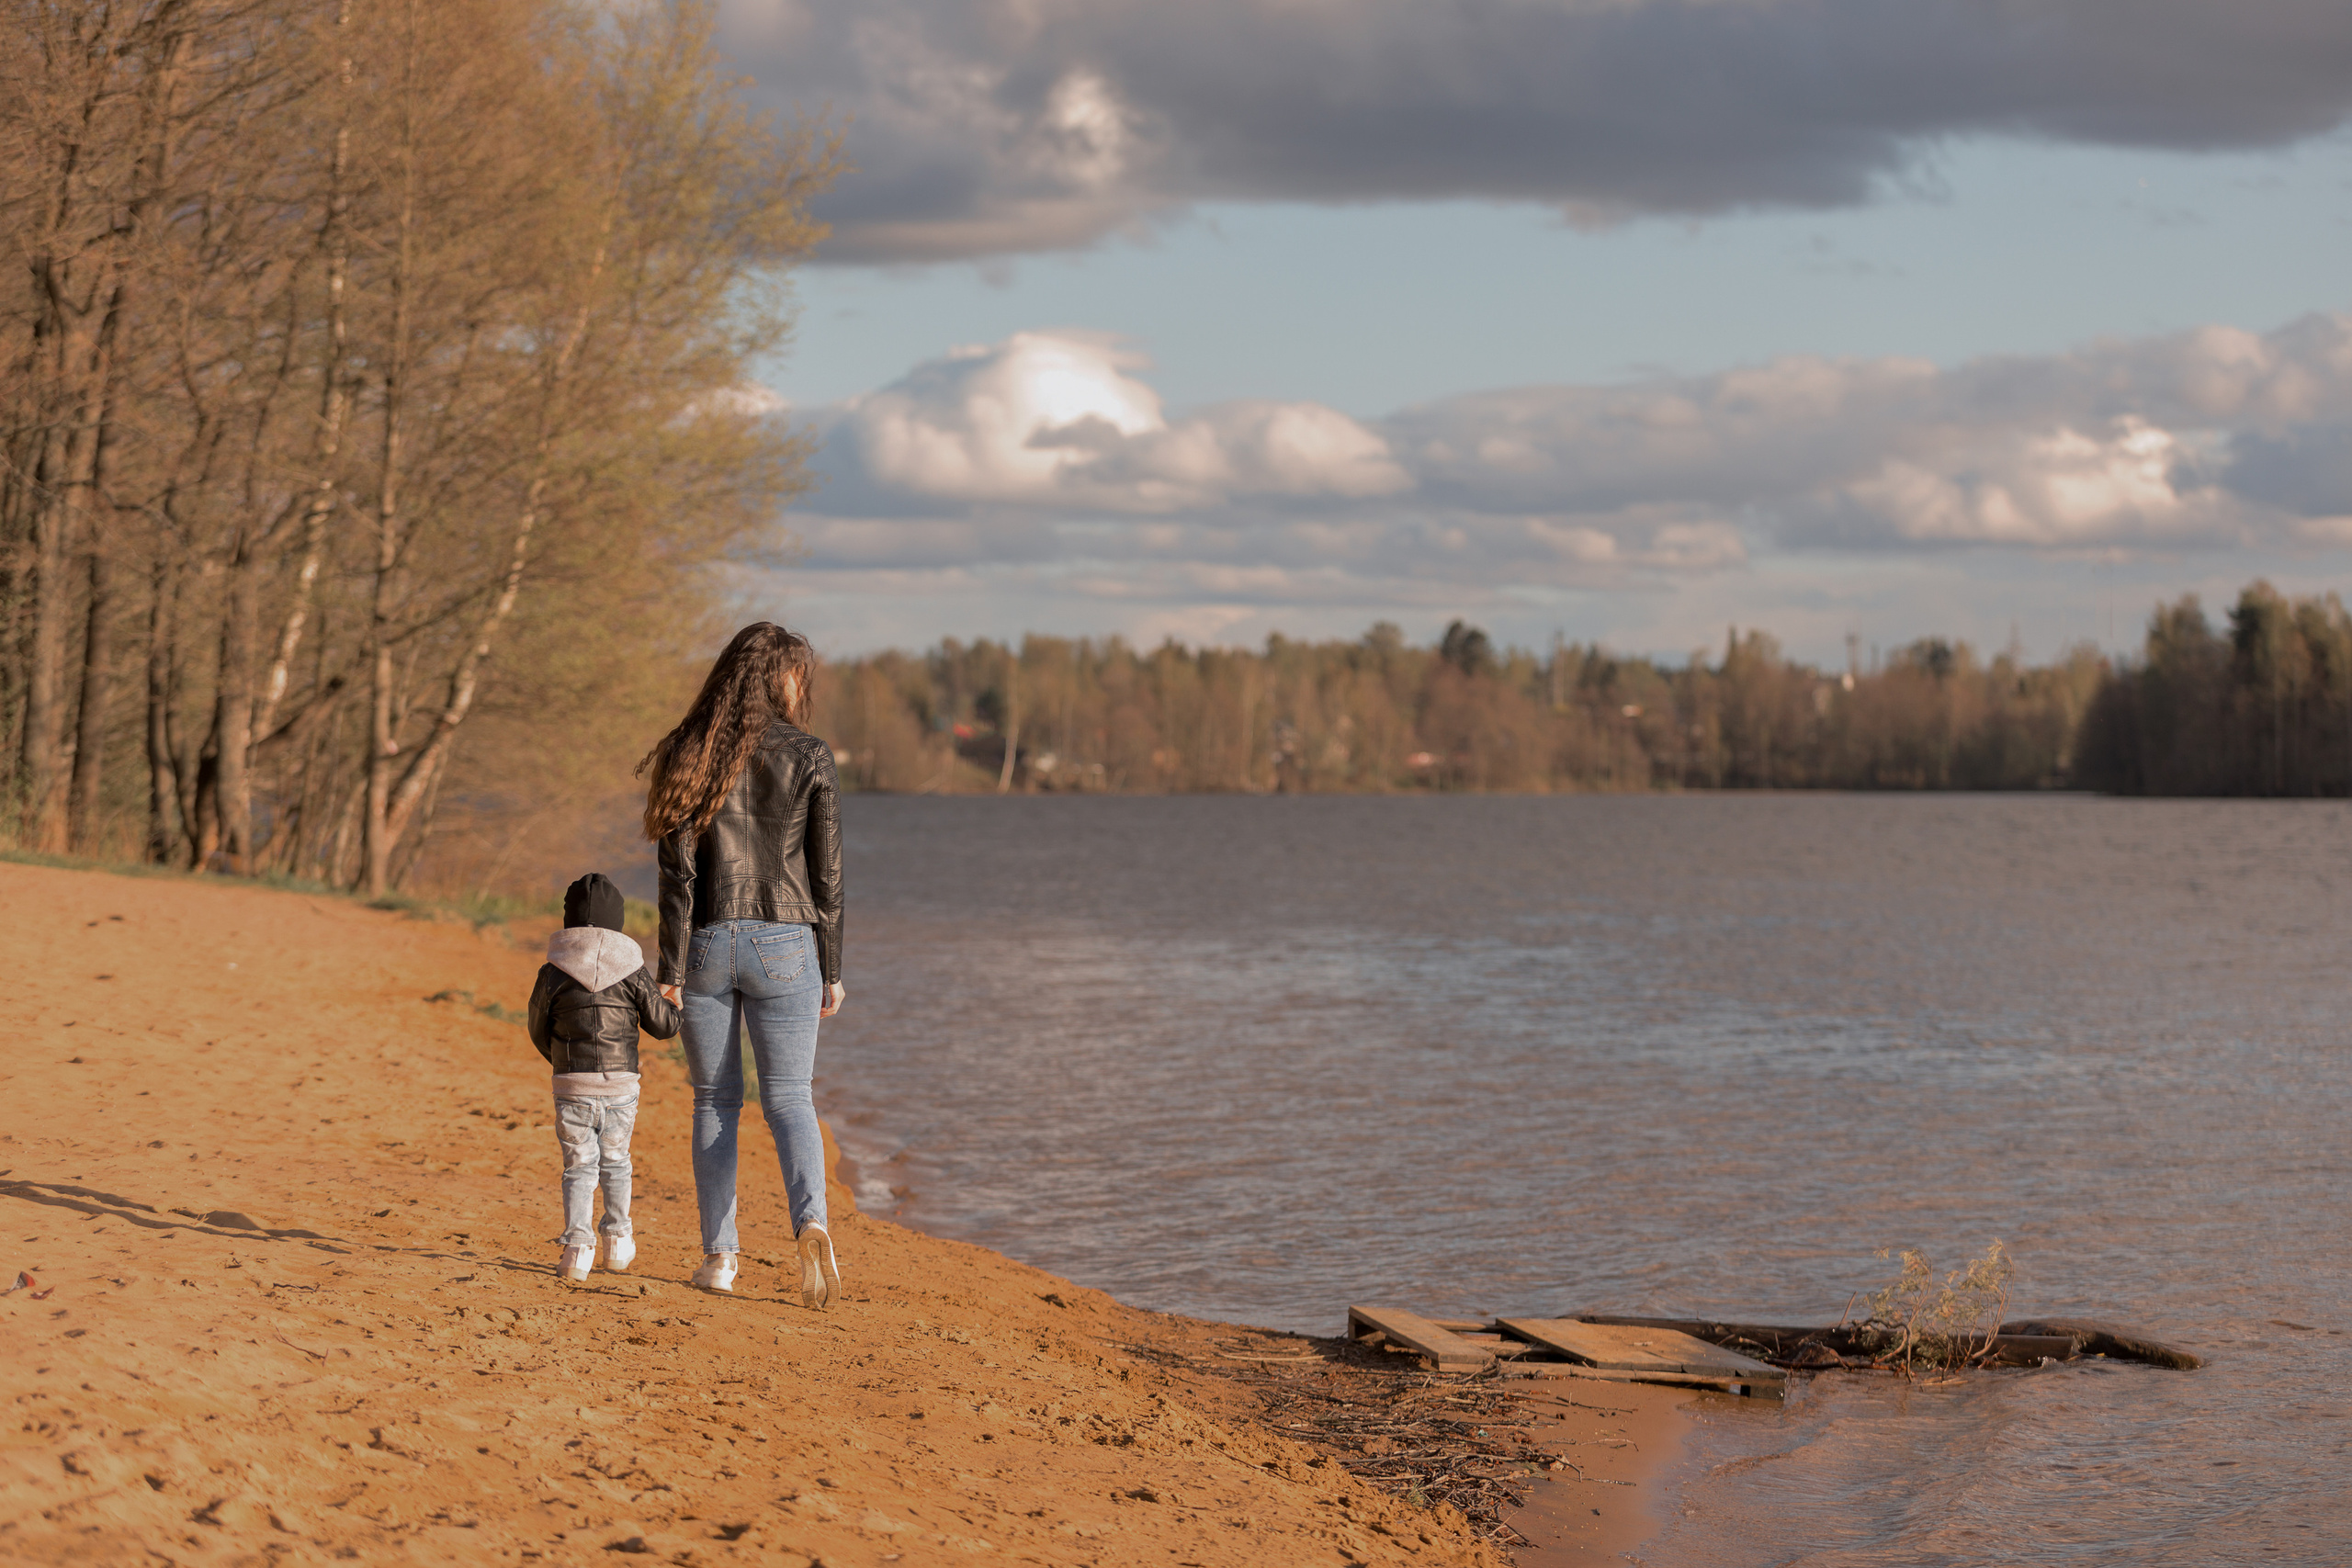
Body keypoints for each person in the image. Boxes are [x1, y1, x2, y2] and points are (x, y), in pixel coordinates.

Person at [640, 622, 846, 1306]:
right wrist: (834, 966)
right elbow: (828, 875)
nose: (801, 685)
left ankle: (720, 1257)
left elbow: (677, 874)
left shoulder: (688, 750)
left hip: (704, 942)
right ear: (782, 678)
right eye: (798, 673)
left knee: (714, 1101)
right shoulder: (810, 752)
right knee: (789, 1097)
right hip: (788, 943)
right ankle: (811, 1221)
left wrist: (668, 963)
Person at [527, 872, 679, 1283]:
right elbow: (664, 1027)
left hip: (572, 1085)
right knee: (616, 1161)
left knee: (578, 1166)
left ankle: (577, 1250)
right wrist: (674, 1003)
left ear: (569, 919)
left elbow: (537, 1028)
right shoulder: (633, 970)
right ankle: (617, 1240)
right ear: (619, 920)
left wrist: (561, 1062)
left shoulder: (552, 971)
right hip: (620, 1086)